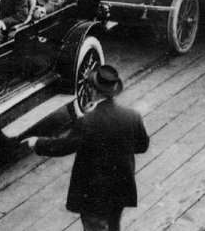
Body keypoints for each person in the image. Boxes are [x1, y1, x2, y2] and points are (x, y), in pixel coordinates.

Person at [24, 64, 150, 231]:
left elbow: (64, 146)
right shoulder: (132, 115)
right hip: (119, 189)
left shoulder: (87, 121)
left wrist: (37, 142)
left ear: (93, 90)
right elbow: (142, 146)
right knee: (113, 226)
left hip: (94, 193)